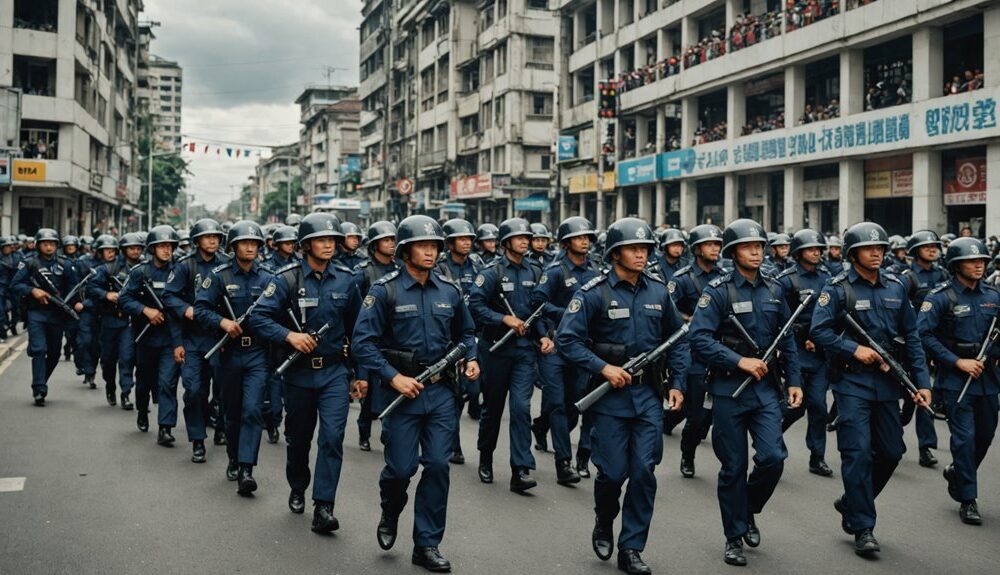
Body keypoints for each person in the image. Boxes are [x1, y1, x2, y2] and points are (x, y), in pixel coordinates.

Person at [556, 217, 689, 575]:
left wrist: (677, 383)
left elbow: (677, 340)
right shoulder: (592, 293)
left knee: (644, 472)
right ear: (615, 253)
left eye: (646, 249)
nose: (642, 255)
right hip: (609, 398)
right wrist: (603, 368)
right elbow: (567, 341)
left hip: (647, 394)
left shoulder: (659, 292)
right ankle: (604, 517)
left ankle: (631, 548)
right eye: (634, 249)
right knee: (612, 475)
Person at [352, 215, 479, 572]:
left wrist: (471, 358)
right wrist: (393, 378)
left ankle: (427, 544)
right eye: (422, 245)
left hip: (440, 393)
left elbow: (467, 334)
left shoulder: (450, 291)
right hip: (402, 394)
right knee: (400, 469)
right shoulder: (385, 290)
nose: (430, 251)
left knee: (438, 465)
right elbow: (363, 344)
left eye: (434, 245)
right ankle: (390, 510)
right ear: (405, 250)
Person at [810, 221, 932, 556]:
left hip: (888, 382)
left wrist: (922, 383)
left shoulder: (895, 287)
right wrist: (854, 349)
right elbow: (818, 331)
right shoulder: (836, 289)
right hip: (851, 382)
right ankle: (863, 526)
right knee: (858, 453)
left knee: (892, 452)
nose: (876, 253)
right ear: (852, 254)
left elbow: (913, 339)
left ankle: (851, 501)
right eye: (868, 248)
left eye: (880, 248)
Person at [688, 218, 803, 566]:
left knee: (773, 458)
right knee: (733, 467)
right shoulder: (718, 290)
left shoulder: (774, 288)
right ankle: (733, 536)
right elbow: (699, 339)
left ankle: (748, 507)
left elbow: (788, 338)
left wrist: (795, 380)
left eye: (760, 246)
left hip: (765, 388)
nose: (756, 251)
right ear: (733, 252)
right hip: (728, 389)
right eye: (748, 246)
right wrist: (739, 361)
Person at [249, 212, 363, 533]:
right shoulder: (286, 279)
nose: (329, 245)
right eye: (322, 240)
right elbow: (259, 317)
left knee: (332, 438)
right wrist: (290, 336)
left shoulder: (346, 278)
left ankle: (324, 505)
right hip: (297, 374)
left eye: (333, 240)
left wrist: (359, 372)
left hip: (333, 373)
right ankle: (298, 485)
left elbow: (358, 329)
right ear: (306, 244)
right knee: (298, 439)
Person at [917, 237, 999, 525]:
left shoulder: (993, 294)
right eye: (971, 261)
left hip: (987, 379)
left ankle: (958, 472)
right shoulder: (940, 297)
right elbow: (924, 336)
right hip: (955, 381)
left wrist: (991, 354)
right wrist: (957, 361)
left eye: (982, 261)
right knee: (964, 440)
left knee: (985, 438)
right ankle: (968, 498)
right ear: (955, 265)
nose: (979, 265)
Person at [469, 217, 546, 492]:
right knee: (492, 408)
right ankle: (486, 457)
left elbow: (541, 310)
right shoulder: (490, 273)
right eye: (519, 237)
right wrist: (504, 319)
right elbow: (475, 306)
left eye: (528, 236)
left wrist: (545, 335)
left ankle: (520, 469)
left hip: (524, 352)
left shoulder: (536, 271)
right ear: (506, 242)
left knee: (521, 408)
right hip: (495, 350)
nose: (526, 240)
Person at [195, 221, 271, 494]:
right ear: (234, 246)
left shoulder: (269, 277)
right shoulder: (218, 276)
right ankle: (233, 457)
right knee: (232, 411)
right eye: (244, 242)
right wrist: (223, 323)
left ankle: (247, 468)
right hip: (228, 352)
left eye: (255, 242)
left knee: (253, 410)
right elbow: (201, 310)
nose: (250, 246)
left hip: (258, 354)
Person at [530, 216, 602, 483]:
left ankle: (540, 425)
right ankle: (564, 463)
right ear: (566, 242)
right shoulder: (555, 270)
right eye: (579, 237)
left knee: (576, 405)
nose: (585, 241)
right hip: (556, 345)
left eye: (587, 237)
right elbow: (537, 304)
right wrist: (569, 315)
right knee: (558, 404)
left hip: (584, 347)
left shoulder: (596, 270)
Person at [163, 218, 231, 459]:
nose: (212, 240)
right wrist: (185, 310)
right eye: (207, 236)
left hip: (221, 339)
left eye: (216, 236)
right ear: (197, 240)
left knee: (223, 390)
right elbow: (168, 297)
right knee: (193, 390)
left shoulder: (227, 264)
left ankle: (221, 426)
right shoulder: (185, 266)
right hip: (192, 338)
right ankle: (198, 440)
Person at [664, 224, 725, 477]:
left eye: (718, 244)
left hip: (720, 352)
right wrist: (687, 319)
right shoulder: (682, 279)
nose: (716, 248)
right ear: (697, 249)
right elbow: (666, 311)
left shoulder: (724, 277)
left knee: (712, 415)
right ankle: (687, 455)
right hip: (694, 353)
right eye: (710, 244)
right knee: (697, 415)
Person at [775, 230, 834, 476]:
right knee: (794, 406)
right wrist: (804, 337)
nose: (816, 253)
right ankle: (771, 438)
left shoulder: (828, 278)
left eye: (819, 249)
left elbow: (833, 314)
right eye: (811, 249)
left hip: (820, 353)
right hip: (796, 352)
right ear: (799, 252)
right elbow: (780, 319)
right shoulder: (786, 280)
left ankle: (817, 456)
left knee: (819, 406)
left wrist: (819, 339)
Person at [118, 226, 184, 434]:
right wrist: (145, 310)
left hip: (170, 337)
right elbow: (123, 299)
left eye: (170, 246)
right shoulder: (140, 272)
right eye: (162, 246)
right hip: (144, 335)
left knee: (167, 382)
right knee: (144, 380)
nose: (167, 250)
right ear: (152, 248)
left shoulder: (179, 271)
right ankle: (142, 411)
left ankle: (165, 427)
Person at [10, 229, 83, 405]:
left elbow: (74, 288)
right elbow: (15, 285)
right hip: (37, 313)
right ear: (38, 245)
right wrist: (32, 290)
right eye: (45, 243)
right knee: (39, 349)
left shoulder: (65, 265)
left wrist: (77, 303)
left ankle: (41, 381)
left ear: (57, 245)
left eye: (52, 243)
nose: (49, 247)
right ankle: (39, 388)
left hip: (57, 315)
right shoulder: (30, 264)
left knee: (54, 353)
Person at [898, 229, 948, 468]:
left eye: (935, 246)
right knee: (910, 399)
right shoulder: (908, 279)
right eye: (927, 246)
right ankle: (895, 427)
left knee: (926, 392)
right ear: (916, 251)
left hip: (938, 342)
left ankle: (926, 446)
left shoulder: (944, 274)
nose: (932, 250)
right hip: (914, 344)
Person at [436, 218, 482, 461]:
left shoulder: (477, 266)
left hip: (473, 335)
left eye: (469, 239)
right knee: (453, 395)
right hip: (450, 338)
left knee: (473, 389)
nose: (466, 243)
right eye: (461, 239)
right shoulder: (440, 268)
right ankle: (454, 446)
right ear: (450, 243)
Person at [353, 220, 401, 452]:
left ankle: (389, 432)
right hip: (369, 338)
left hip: (393, 340)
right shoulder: (363, 273)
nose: (391, 244)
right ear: (374, 245)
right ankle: (364, 429)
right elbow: (354, 308)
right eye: (386, 240)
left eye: (393, 240)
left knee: (390, 388)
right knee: (368, 389)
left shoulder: (401, 268)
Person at [88, 234, 134, 408]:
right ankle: (110, 386)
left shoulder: (142, 267)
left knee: (127, 357)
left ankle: (126, 393)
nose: (135, 251)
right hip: (109, 319)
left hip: (128, 321)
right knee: (108, 359)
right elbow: (91, 287)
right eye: (131, 248)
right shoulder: (108, 268)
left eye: (138, 248)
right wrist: (107, 295)